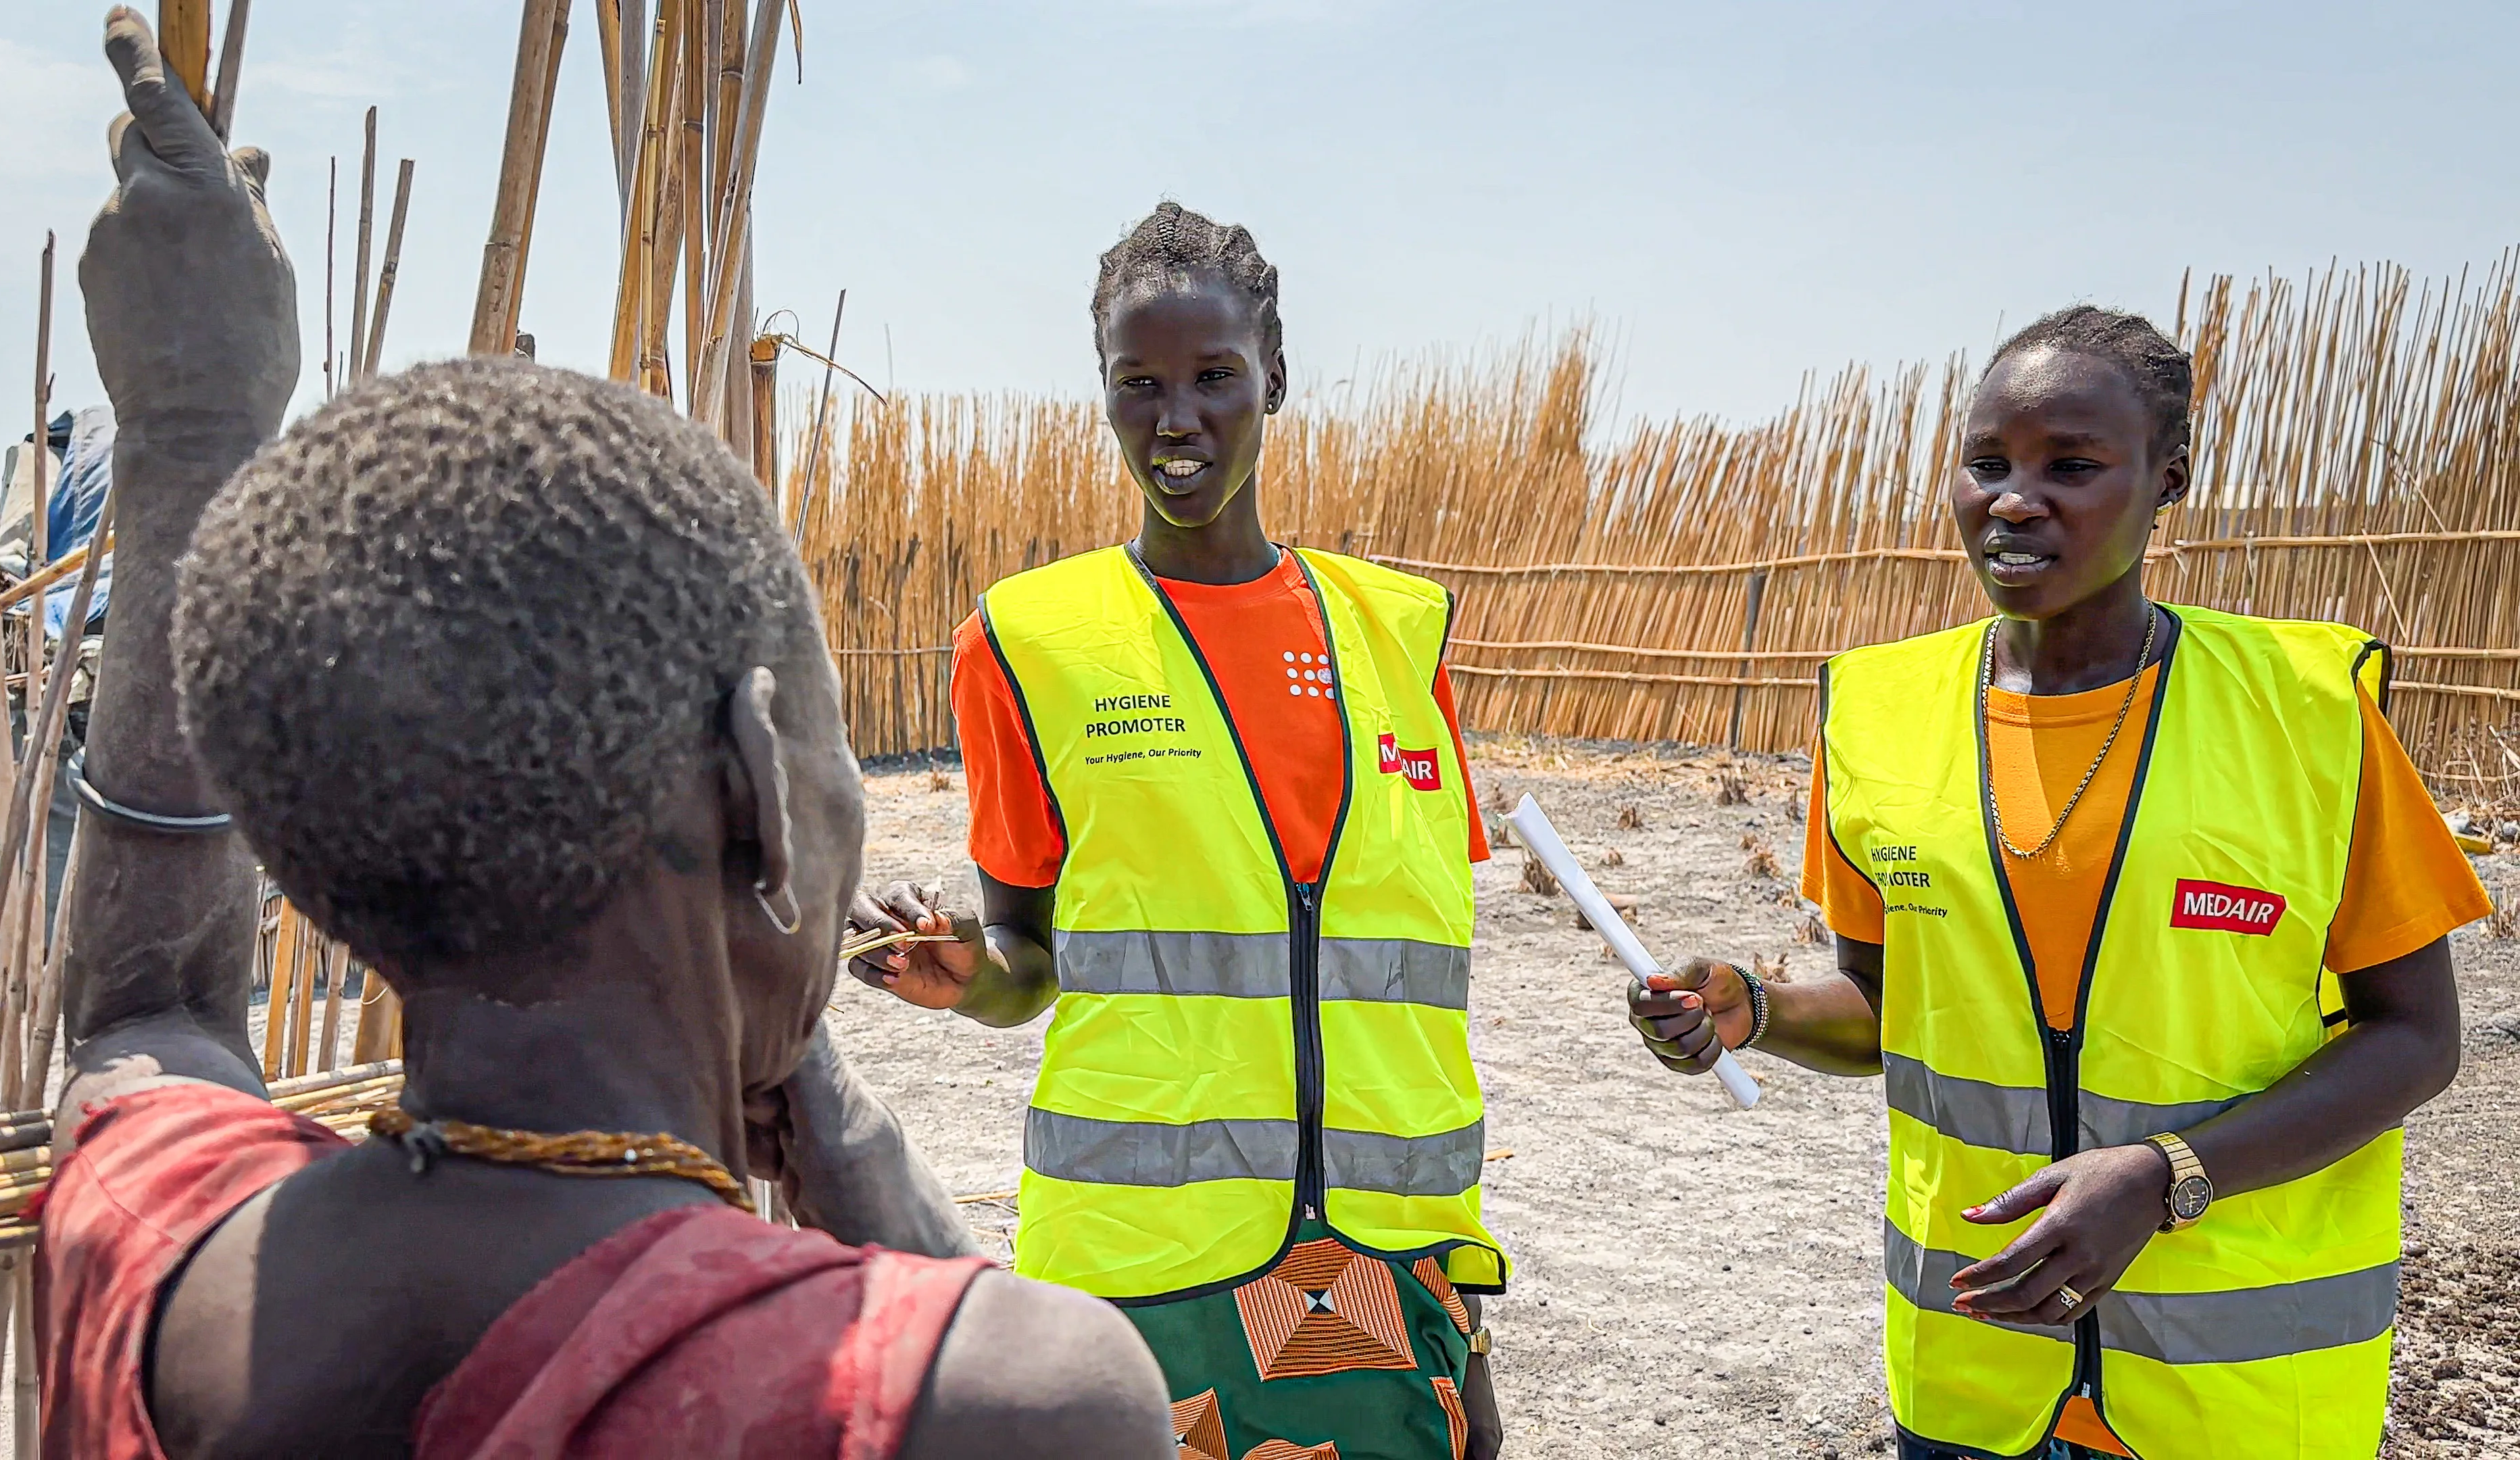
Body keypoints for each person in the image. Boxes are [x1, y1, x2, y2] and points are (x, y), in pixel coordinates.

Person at [34, 11, 1175, 1457]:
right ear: (761, 785)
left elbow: (150, 1021)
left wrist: (194, 426)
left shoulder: (160, 1257)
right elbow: (972, 1373)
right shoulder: (990, 1397)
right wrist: (842, 1123)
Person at [1627, 306, 2488, 1460]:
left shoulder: (2308, 716)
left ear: (2169, 475)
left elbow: (2417, 1037)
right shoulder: (1881, 718)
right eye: (1989, 463)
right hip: (1974, 1375)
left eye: (2071, 466)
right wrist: (1759, 1010)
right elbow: (1895, 1015)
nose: (2015, 499)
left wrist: (2167, 1177)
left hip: (2237, 1396)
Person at [847, 203, 1506, 1460]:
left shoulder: (1398, 637)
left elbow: (1396, 970)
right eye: (1138, 384)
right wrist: (968, 978)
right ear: (1100, 393)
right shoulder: (1030, 641)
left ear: (1276, 377)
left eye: (1215, 378)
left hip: (1393, 1254)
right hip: (1137, 1276)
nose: (1178, 418)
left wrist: (1462, 1318)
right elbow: (1026, 959)